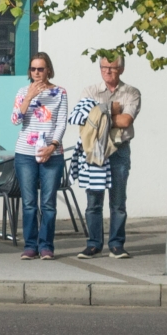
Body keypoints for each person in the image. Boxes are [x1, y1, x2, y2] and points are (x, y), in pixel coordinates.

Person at [70, 54, 141, 259]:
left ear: (121, 69)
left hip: (118, 150)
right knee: (94, 201)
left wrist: (100, 114)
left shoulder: (131, 92)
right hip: (94, 150)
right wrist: (112, 109)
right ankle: (93, 244)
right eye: (103, 67)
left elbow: (126, 120)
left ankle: (117, 245)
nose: (107, 71)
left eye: (112, 68)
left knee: (118, 201)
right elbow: (82, 118)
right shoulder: (90, 90)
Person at [11, 52, 68, 261]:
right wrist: (28, 97)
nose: (37, 73)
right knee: (28, 202)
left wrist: (53, 146)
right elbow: (16, 119)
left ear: (48, 70)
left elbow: (62, 123)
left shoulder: (60, 93)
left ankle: (46, 246)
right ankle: (30, 246)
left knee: (48, 203)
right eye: (33, 69)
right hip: (26, 152)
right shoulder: (22, 92)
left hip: (51, 153)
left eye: (41, 69)